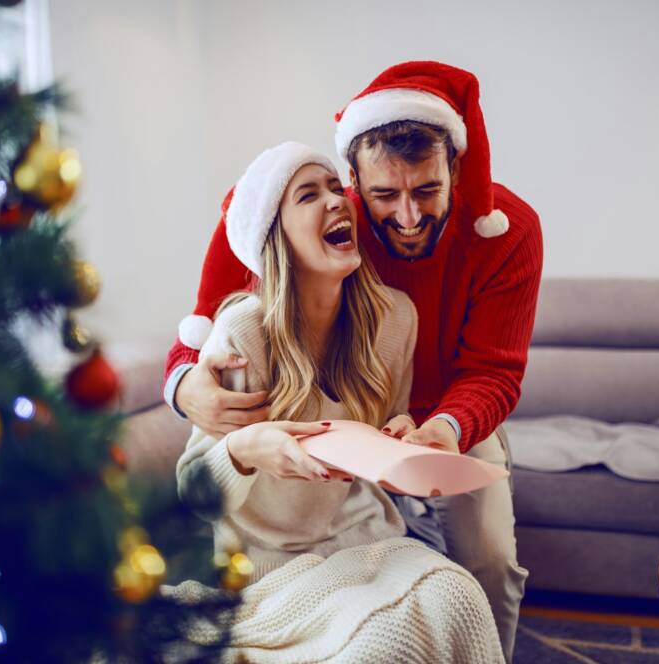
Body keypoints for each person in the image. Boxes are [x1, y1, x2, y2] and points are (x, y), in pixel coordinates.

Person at [165, 61, 542, 663]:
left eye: (427, 191)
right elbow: (208, 320)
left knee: (488, 562)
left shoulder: (503, 234)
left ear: (456, 170)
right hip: (295, 513)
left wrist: (441, 429)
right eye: (385, 194)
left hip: (446, 415)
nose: (408, 217)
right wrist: (185, 385)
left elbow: (494, 372)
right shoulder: (323, 215)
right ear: (355, 181)